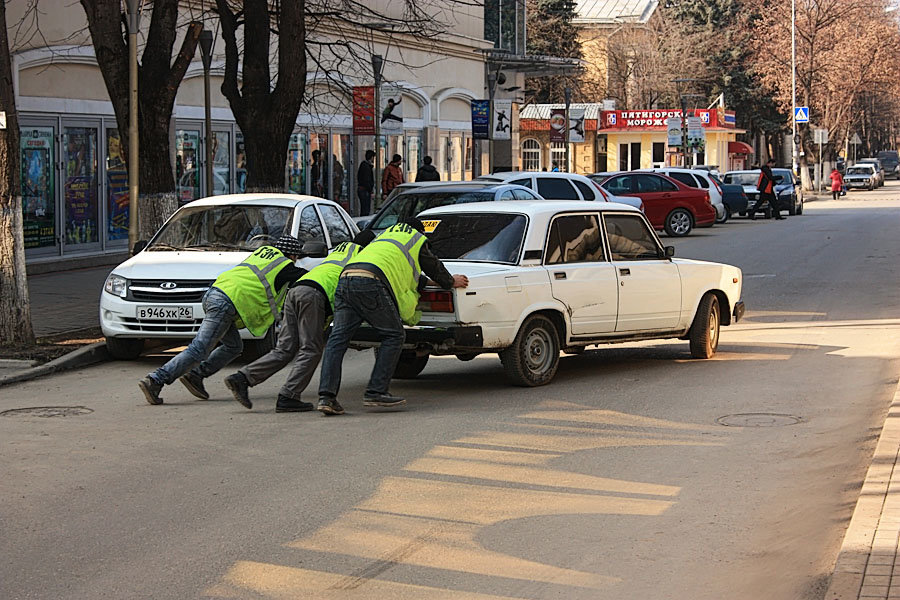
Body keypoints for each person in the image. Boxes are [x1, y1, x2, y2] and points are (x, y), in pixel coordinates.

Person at [316, 218, 469, 415]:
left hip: (346, 279)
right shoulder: (415, 238)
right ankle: (376, 391)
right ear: (420, 232)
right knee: (394, 335)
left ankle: (326, 397)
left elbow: (399, 269)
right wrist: (449, 281)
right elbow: (432, 265)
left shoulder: (384, 238)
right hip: (370, 283)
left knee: (338, 339)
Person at [138, 236, 307, 406]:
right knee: (199, 348)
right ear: (292, 255)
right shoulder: (285, 266)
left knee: (234, 346)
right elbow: (308, 277)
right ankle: (155, 380)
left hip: (215, 294)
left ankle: (195, 376)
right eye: (296, 257)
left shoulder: (262, 254)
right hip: (226, 303)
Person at [223, 230, 377, 412]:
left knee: (285, 348)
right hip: (314, 295)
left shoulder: (340, 250)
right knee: (311, 350)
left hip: (297, 289)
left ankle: (242, 378)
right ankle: (288, 396)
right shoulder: (364, 256)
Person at [357, 150, 375, 216]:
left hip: (363, 190)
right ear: (371, 157)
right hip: (365, 190)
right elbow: (367, 180)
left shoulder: (364, 165)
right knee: (365, 209)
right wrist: (371, 191)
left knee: (364, 208)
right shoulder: (366, 167)